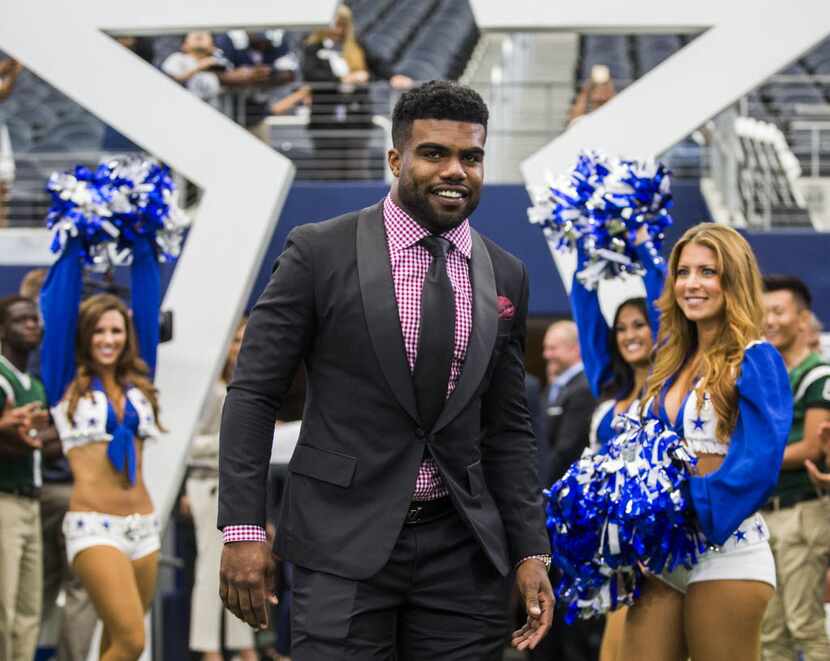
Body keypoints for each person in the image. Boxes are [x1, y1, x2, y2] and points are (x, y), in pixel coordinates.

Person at [218, 80, 554, 659]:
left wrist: (531, 549)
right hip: (339, 543)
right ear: (396, 159)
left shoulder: (506, 272)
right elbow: (252, 394)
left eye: (471, 157)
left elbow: (508, 427)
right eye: (435, 154)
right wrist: (244, 529)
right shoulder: (317, 251)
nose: (456, 170)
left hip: (463, 548)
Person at [619, 223, 792, 660]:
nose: (692, 284)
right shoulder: (669, 362)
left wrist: (683, 503)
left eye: (708, 272)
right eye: (683, 272)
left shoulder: (756, 358)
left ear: (732, 280)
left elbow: (759, 463)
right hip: (661, 556)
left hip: (727, 550)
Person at [39, 234, 164, 661]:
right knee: (133, 641)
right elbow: (56, 313)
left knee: (117, 642)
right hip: (93, 526)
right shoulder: (64, 383)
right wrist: (74, 244)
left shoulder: (140, 382)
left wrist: (145, 244)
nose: (108, 339)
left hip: (144, 526)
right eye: (98, 331)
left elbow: (147, 306)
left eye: (116, 330)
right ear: (84, 336)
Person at [570, 230, 666, 661]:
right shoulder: (611, 392)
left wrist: (644, 246)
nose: (630, 335)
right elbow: (588, 319)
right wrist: (586, 255)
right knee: (612, 654)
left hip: (662, 548)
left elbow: (667, 309)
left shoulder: (674, 391)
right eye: (622, 328)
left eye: (640, 325)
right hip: (617, 553)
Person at [18, 269, 98, 661]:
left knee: (34, 593)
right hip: (61, 490)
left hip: (50, 492)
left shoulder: (33, 360)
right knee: (72, 592)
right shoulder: (71, 361)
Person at [760, 274, 830, 661]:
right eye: (763, 312)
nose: (768, 320)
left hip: (802, 510)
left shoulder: (819, 375)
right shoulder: (774, 377)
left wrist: (751, 459)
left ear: (803, 320)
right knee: (769, 631)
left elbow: (811, 449)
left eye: (778, 311)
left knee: (804, 624)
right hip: (769, 512)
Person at [186, 318, 257, 661]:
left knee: (242, 571)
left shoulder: (249, 386)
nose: (241, 346)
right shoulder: (212, 391)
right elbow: (186, 444)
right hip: (207, 485)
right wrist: (232, 443)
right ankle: (210, 650)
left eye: (247, 339)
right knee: (210, 571)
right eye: (236, 339)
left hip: (235, 489)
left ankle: (243, 648)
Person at [0, 295, 49, 661]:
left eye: (35, 319)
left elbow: (41, 444)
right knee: (4, 610)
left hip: (32, 503)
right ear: (2, 329)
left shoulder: (33, 383)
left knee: (29, 610)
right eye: (21, 320)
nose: (32, 325)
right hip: (4, 502)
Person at [542, 320, 596, 485]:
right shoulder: (556, 386)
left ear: (575, 349)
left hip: (564, 486)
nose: (546, 354)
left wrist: (539, 483)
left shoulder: (583, 388)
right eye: (545, 348)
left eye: (552, 348)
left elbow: (566, 450)